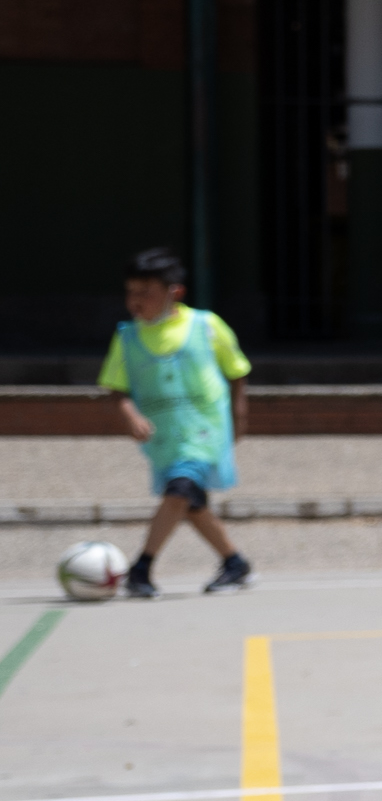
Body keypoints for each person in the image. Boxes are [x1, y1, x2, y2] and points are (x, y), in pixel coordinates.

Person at [101, 248, 254, 598]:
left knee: (180, 490)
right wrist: (131, 416)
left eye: (146, 293)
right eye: (131, 292)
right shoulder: (127, 337)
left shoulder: (206, 325)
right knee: (191, 503)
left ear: (175, 292)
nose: (136, 301)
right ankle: (235, 563)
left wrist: (239, 415)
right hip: (164, 437)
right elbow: (116, 388)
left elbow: (237, 372)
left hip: (205, 431)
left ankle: (141, 569)